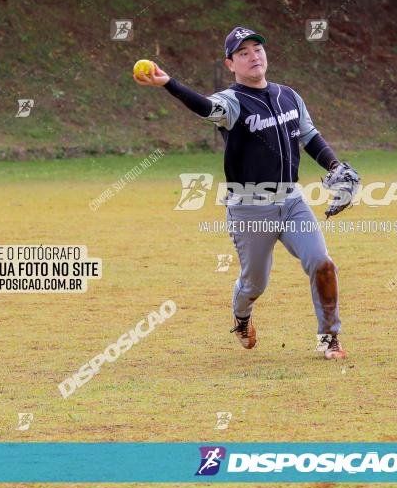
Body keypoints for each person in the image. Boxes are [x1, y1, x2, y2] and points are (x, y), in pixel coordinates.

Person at [134, 26, 352, 359]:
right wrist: (169, 84)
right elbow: (206, 108)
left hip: (292, 202)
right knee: (254, 284)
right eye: (243, 52)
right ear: (230, 64)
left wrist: (335, 166)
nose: (254, 56)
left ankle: (329, 337)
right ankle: (241, 317)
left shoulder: (288, 96)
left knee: (322, 263)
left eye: (257, 49)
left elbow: (309, 137)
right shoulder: (231, 102)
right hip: (250, 209)